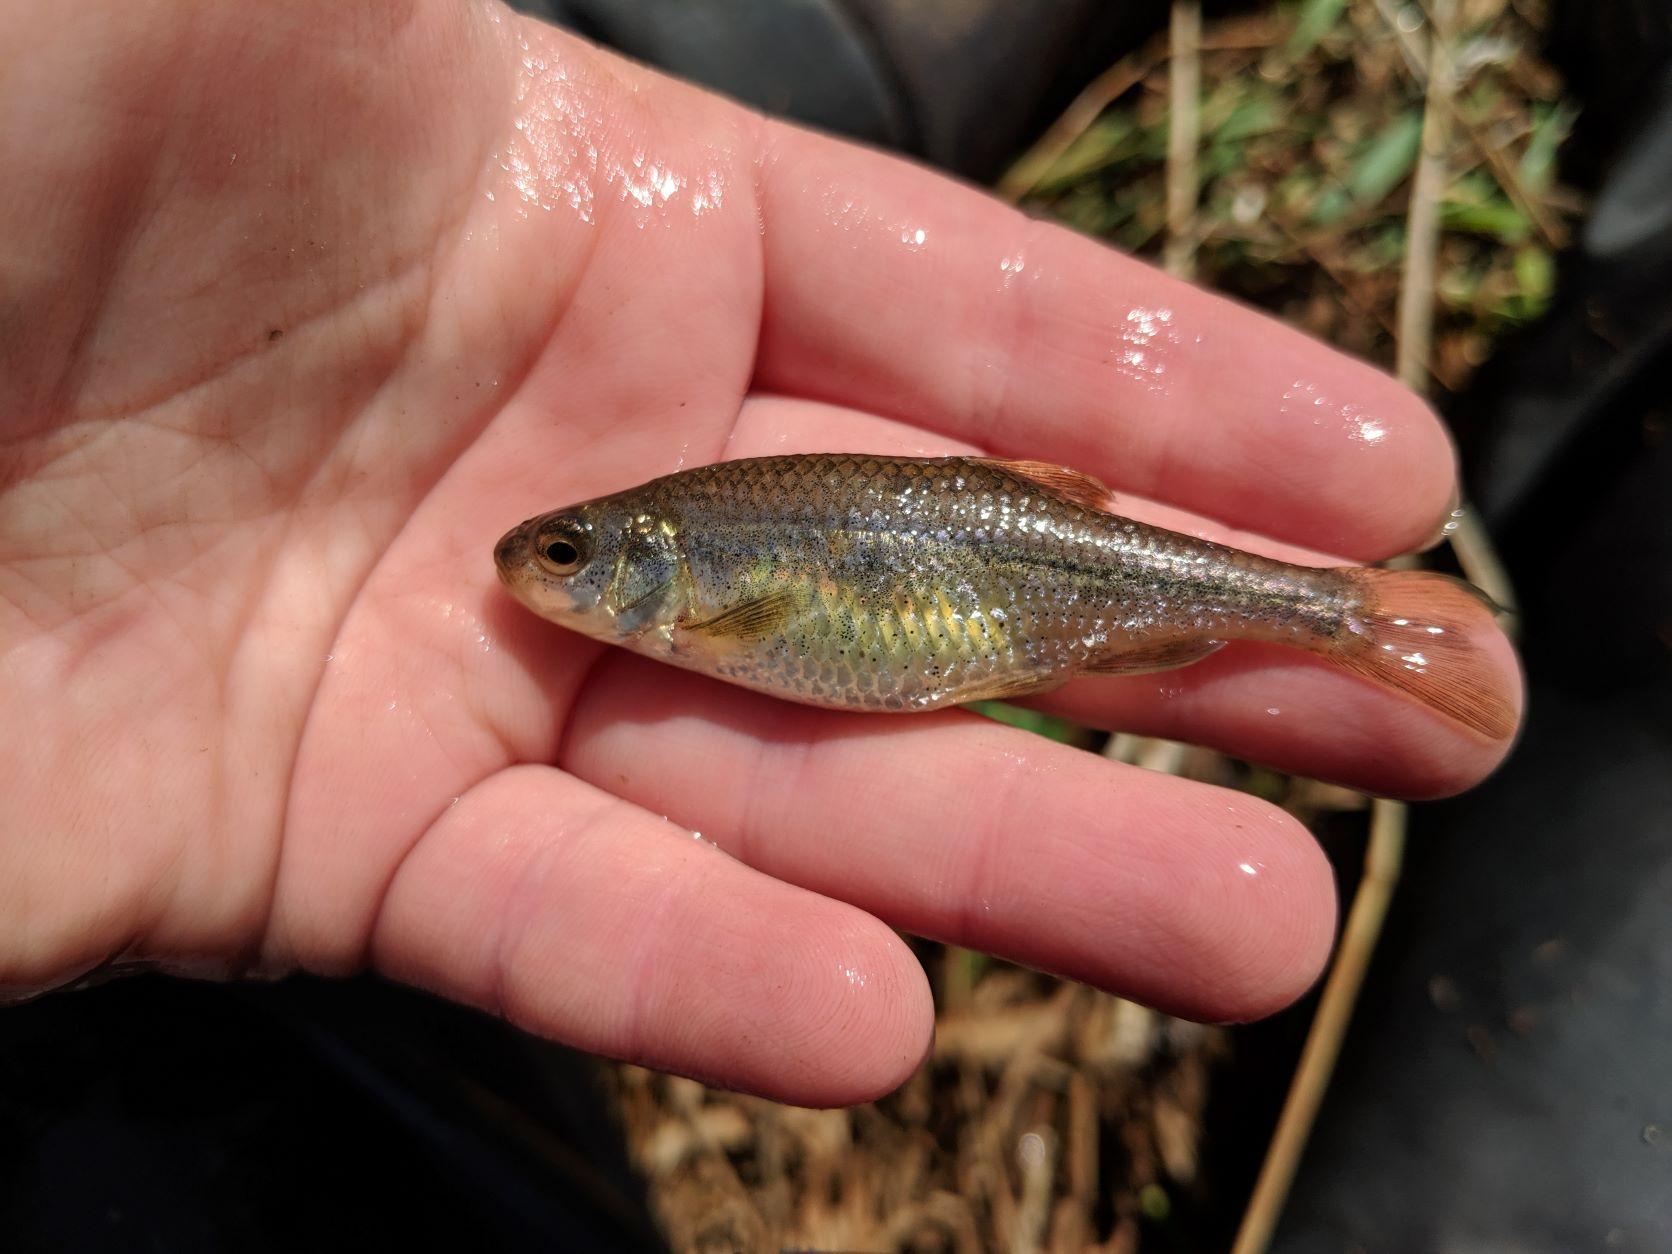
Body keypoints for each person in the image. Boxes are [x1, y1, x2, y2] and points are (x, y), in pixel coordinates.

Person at [0, 2, 1519, 1107]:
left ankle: (1342, 615)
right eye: (568, 554)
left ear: (662, 559)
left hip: (1034, 577)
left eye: (579, 556)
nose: (547, 577)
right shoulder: (697, 569)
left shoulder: (709, 572)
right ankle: (1341, 613)